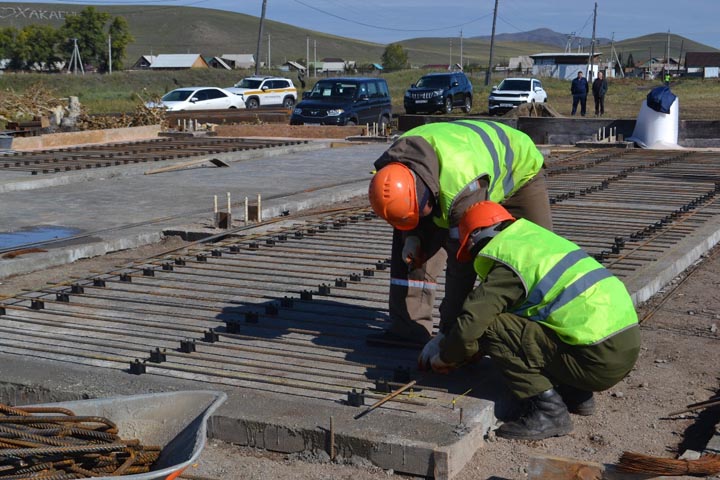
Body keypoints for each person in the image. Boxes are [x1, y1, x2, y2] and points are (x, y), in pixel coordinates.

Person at [418, 201, 641, 441]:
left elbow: (472, 323)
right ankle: (576, 392)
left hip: (597, 360)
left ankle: (549, 411)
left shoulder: (509, 261)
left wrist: (447, 356)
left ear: (474, 239)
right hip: (623, 346)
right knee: (533, 317)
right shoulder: (535, 244)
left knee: (491, 327)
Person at [367, 120, 553, 346]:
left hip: (519, 169)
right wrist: (412, 236)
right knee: (411, 248)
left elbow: (462, 265)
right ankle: (408, 328)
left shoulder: (461, 186)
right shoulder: (394, 168)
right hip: (453, 166)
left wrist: (448, 332)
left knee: (537, 257)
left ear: (427, 193)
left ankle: (539, 335)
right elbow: (408, 212)